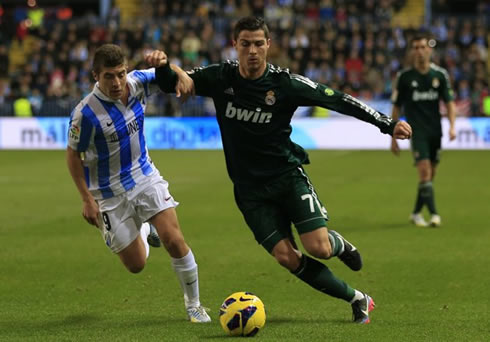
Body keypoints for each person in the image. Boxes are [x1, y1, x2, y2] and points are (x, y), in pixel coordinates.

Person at [146, 16, 412, 324]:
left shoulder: (285, 84)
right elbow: (172, 83)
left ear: (269, 45)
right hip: (249, 192)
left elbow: (339, 100)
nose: (253, 51)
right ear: (235, 46)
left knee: (320, 248)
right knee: (287, 257)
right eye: (245, 44)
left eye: (259, 44)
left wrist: (387, 125)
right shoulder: (221, 77)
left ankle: (338, 243)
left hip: (286, 178)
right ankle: (357, 298)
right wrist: (164, 65)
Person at [66, 44, 211, 323]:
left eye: (121, 74)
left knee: (174, 239)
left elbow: (164, 73)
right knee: (136, 265)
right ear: (96, 75)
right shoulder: (85, 114)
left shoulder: (137, 82)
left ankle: (194, 305)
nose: (117, 82)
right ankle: (144, 228)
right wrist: (86, 198)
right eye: (109, 76)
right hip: (107, 194)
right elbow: (73, 155)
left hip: (144, 177)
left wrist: (173, 68)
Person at [391, 33, 456, 227]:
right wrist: (392, 135)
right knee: (424, 171)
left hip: (435, 131)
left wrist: (452, 126)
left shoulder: (439, 75)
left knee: (430, 175)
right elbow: (396, 107)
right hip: (415, 131)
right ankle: (434, 215)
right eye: (416, 48)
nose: (419, 51)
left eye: (422, 47)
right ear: (412, 51)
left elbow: (450, 103)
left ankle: (416, 213)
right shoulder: (404, 77)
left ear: (429, 50)